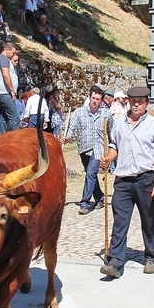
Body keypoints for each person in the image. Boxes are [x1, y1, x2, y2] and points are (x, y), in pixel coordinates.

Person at [99, 86, 154, 278]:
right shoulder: (119, 123)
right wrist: (109, 158)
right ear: (128, 101)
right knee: (120, 221)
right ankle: (115, 261)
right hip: (123, 181)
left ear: (147, 103)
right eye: (133, 100)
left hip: (146, 179)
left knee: (149, 220)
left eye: (140, 101)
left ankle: (151, 256)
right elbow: (115, 146)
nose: (136, 104)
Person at [62, 86, 112, 215]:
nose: (95, 101)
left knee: (90, 173)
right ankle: (100, 198)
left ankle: (84, 203)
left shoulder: (106, 114)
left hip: (98, 149)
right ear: (89, 98)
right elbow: (71, 128)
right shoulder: (79, 112)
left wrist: (112, 149)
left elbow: (112, 132)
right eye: (93, 98)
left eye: (98, 99)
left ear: (101, 101)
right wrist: (66, 137)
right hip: (84, 148)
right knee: (92, 175)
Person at [0, 42, 20, 133]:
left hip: (1, 92)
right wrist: (12, 91)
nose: (14, 55)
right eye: (13, 53)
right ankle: (17, 139)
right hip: (5, 92)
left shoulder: (1, 59)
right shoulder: (4, 59)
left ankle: (0, 136)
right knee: (14, 117)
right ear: (6, 50)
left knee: (2, 116)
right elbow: (6, 75)